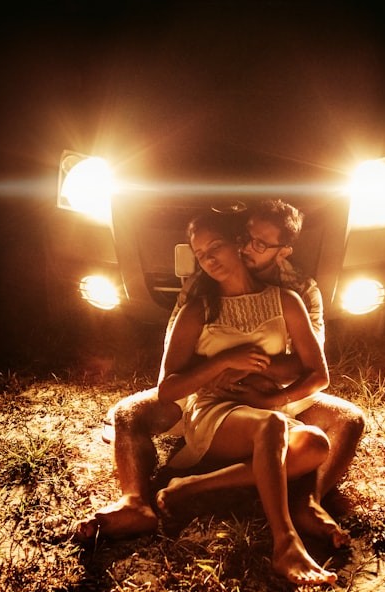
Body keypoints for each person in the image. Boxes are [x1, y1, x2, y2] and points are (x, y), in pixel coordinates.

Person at [73, 200, 364, 542]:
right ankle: (134, 502)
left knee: (348, 420)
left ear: (283, 251)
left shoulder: (298, 290)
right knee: (128, 412)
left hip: (273, 390)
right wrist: (224, 366)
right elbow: (175, 365)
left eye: (259, 243)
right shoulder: (201, 292)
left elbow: (310, 363)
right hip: (211, 391)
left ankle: (309, 501)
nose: (247, 246)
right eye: (246, 237)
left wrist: (260, 373)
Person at [154, 208, 338, 585]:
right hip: (215, 414)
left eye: (215, 246)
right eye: (200, 253)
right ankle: (285, 542)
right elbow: (167, 389)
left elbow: (318, 375)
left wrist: (272, 398)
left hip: (263, 410)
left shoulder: (287, 300)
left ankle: (191, 486)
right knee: (272, 428)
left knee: (316, 444)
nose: (208, 259)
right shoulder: (197, 308)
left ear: (238, 244)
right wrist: (224, 361)